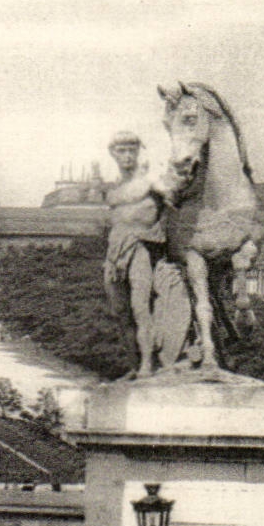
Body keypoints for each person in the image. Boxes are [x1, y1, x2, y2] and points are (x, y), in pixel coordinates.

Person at [102, 130, 168, 376]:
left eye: (132, 150)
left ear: (139, 152)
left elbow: (176, 201)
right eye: (122, 151)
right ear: (113, 154)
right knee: (120, 312)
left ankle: (147, 364)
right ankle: (133, 362)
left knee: (140, 307)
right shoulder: (114, 189)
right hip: (114, 251)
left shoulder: (151, 182)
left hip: (140, 246)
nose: (127, 156)